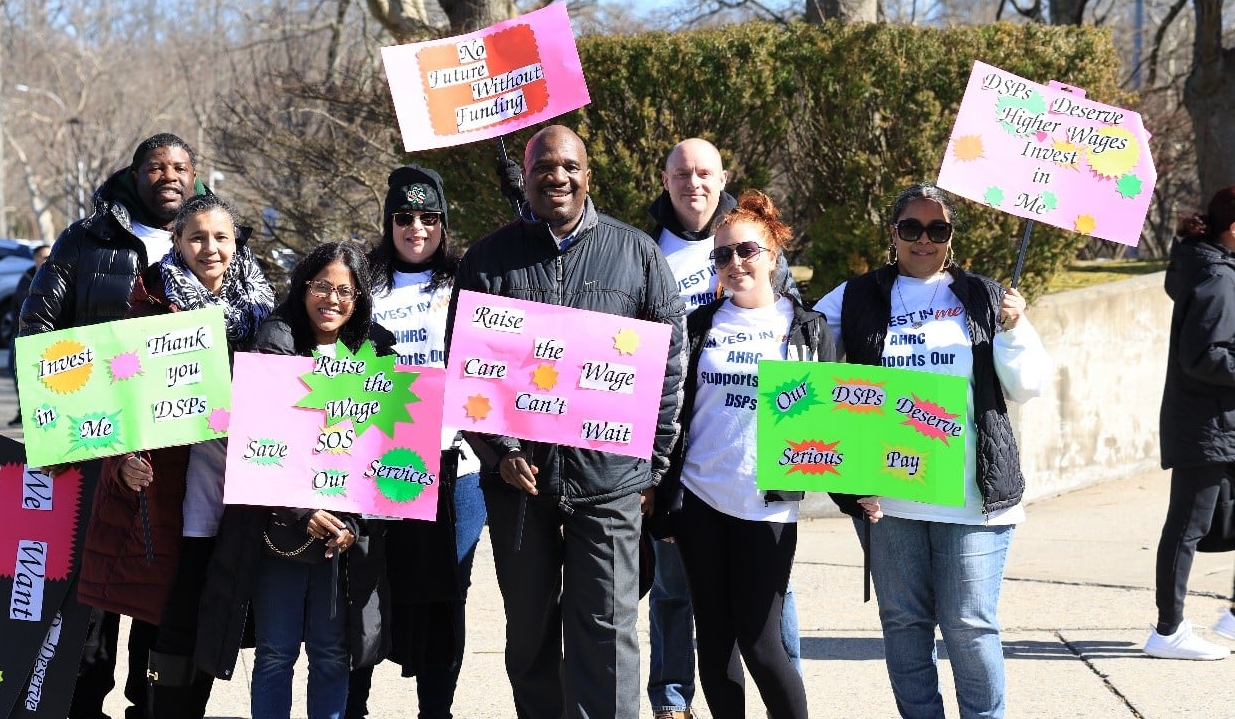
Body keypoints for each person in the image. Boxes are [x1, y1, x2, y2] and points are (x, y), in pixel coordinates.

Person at [450, 124, 685, 719]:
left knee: (607, 632)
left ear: (588, 174)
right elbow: (467, 372)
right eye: (542, 168)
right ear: (524, 178)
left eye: (568, 166)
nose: (556, 177)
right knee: (529, 633)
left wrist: (651, 467)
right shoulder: (486, 261)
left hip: (610, 482)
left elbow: (668, 365)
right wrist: (498, 451)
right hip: (518, 483)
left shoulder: (638, 254)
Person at [812, 183, 1051, 719]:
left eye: (937, 229)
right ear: (892, 233)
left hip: (973, 497)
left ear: (951, 237)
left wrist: (1013, 329)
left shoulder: (985, 297)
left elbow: (1028, 386)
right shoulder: (855, 297)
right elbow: (807, 359)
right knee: (903, 624)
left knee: (970, 625)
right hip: (889, 498)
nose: (924, 239)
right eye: (911, 228)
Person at [19, 133, 203, 719]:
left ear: (195, 178)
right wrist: (61, 417)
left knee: (157, 603)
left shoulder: (212, 241)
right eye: (155, 167)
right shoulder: (86, 238)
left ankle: (144, 709)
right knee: (91, 606)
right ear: (134, 174)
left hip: (179, 458)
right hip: (97, 444)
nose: (168, 176)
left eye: (179, 167)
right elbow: (37, 329)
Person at [77, 193, 274, 718]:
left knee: (213, 615)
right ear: (177, 242)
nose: (210, 248)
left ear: (236, 242)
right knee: (166, 614)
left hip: (237, 485)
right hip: (167, 489)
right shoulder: (147, 305)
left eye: (221, 237)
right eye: (197, 237)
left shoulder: (267, 312)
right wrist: (122, 462)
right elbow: (112, 403)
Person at [653, 189, 831, 719]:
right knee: (714, 639)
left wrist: (857, 493)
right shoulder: (698, 325)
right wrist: (661, 494)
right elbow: (674, 414)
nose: (734, 263)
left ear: (774, 254)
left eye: (746, 250)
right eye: (723, 254)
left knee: (761, 642)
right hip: (700, 501)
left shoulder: (805, 328)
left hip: (767, 507)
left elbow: (832, 426)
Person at [196, 242, 391, 719]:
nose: (332, 299)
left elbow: (385, 449)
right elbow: (257, 439)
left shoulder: (379, 350)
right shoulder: (274, 341)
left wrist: (347, 518)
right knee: (276, 654)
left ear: (360, 297)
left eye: (345, 290)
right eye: (321, 286)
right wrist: (303, 510)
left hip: (343, 537)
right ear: (303, 287)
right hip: (279, 530)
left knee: (330, 654)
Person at [348, 166, 486, 719]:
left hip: (458, 465)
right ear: (388, 222)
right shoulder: (365, 283)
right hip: (377, 464)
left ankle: (437, 710)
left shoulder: (465, 283)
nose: (416, 228)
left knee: (446, 598)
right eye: (403, 217)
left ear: (444, 223)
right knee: (367, 592)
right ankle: (351, 708)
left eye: (430, 217)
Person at [1143, 188, 1235, 660]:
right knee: (1187, 527)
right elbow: (1202, 357)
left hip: (1221, 422)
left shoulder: (1215, 270)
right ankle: (1168, 630)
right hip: (1207, 424)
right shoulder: (1217, 279)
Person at [8, 244, 52, 424]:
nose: (46, 260)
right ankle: (23, 410)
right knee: (16, 369)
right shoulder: (27, 278)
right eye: (42, 256)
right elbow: (17, 305)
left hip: (48, 334)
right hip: (23, 332)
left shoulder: (57, 276)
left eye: (49, 256)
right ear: (35, 259)